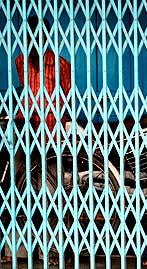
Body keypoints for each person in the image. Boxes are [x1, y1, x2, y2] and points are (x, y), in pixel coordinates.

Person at [3, 15, 71, 266]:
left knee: (51, 195)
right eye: (29, 36)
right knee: (18, 190)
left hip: (52, 134)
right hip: (25, 132)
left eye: (39, 35)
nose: (33, 41)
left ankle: (50, 251)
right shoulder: (19, 61)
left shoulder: (61, 64)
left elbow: (69, 99)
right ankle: (15, 247)